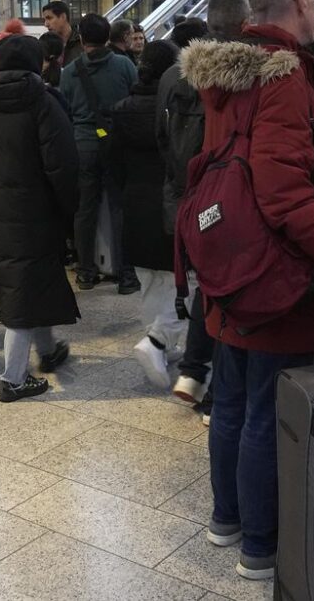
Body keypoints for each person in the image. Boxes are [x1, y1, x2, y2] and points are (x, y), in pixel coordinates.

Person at [179, 0, 314, 579]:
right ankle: (261, 546)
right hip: (275, 273)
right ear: (301, 0)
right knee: (267, 411)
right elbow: (285, 194)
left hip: (228, 262)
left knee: (232, 402)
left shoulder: (228, 73)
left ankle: (227, 520)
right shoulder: (284, 77)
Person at [0, 34, 80, 402]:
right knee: (23, 290)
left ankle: (47, 350)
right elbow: (62, 163)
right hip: (36, 209)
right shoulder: (43, 102)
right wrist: (70, 208)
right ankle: (13, 379)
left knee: (32, 280)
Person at [157, 0, 247, 409]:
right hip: (228, 196)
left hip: (185, 195)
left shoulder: (173, 75)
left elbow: (161, 137)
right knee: (232, 291)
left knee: (209, 286)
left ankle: (193, 371)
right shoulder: (244, 72)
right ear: (245, 25)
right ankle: (212, 392)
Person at [112, 40, 184, 388]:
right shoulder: (173, 107)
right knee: (178, 281)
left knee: (149, 280)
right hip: (168, 202)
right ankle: (158, 342)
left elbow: (111, 159)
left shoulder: (121, 108)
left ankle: (158, 345)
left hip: (135, 200)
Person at [60, 13, 139, 293]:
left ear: (81, 38)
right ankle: (126, 273)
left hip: (83, 144)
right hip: (116, 143)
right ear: (108, 37)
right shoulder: (124, 65)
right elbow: (134, 100)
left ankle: (85, 272)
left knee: (85, 209)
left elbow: (65, 109)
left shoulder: (69, 71)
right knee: (119, 207)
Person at [42, 0, 83, 66]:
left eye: (49, 18)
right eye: (44, 20)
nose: (46, 24)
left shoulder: (82, 41)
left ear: (63, 17)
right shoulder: (45, 42)